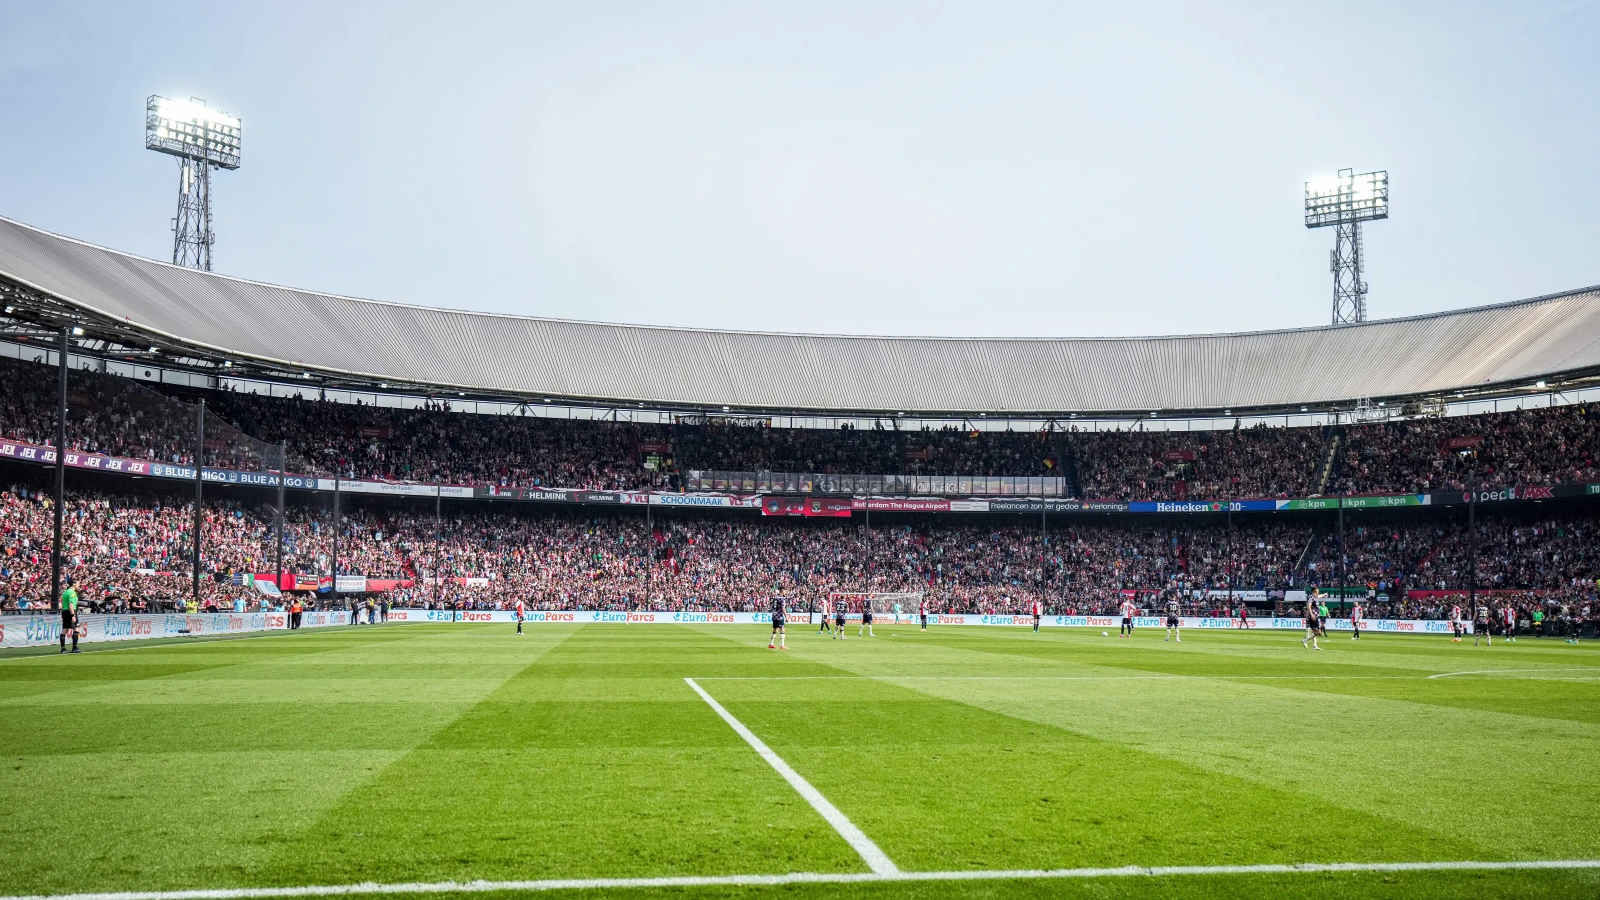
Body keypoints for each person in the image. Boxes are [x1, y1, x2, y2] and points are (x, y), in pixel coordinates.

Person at [59, 577, 80, 654]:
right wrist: (73, 615)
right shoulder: (72, 593)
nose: (78, 585)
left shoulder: (65, 592)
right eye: (78, 583)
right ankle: (74, 647)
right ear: (74, 584)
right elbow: (71, 605)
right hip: (70, 611)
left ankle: (63, 648)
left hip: (64, 611)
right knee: (76, 629)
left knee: (65, 630)